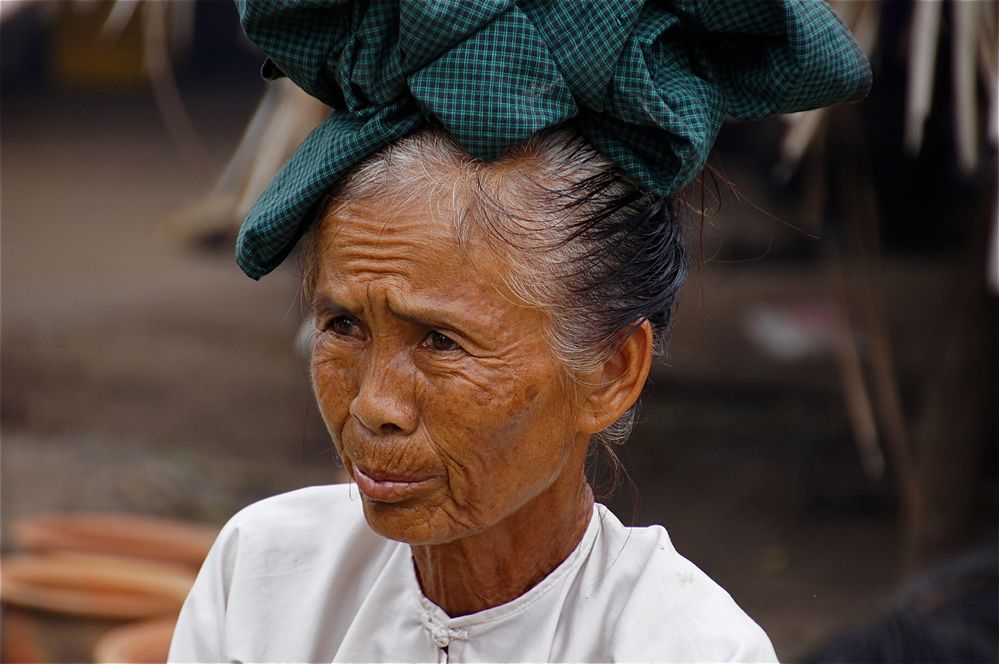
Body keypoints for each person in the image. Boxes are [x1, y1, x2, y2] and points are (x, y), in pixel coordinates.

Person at [169, 1, 871, 661]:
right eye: (343, 325)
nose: (370, 407)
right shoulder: (262, 574)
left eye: (440, 342)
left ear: (610, 372)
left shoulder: (685, 646)